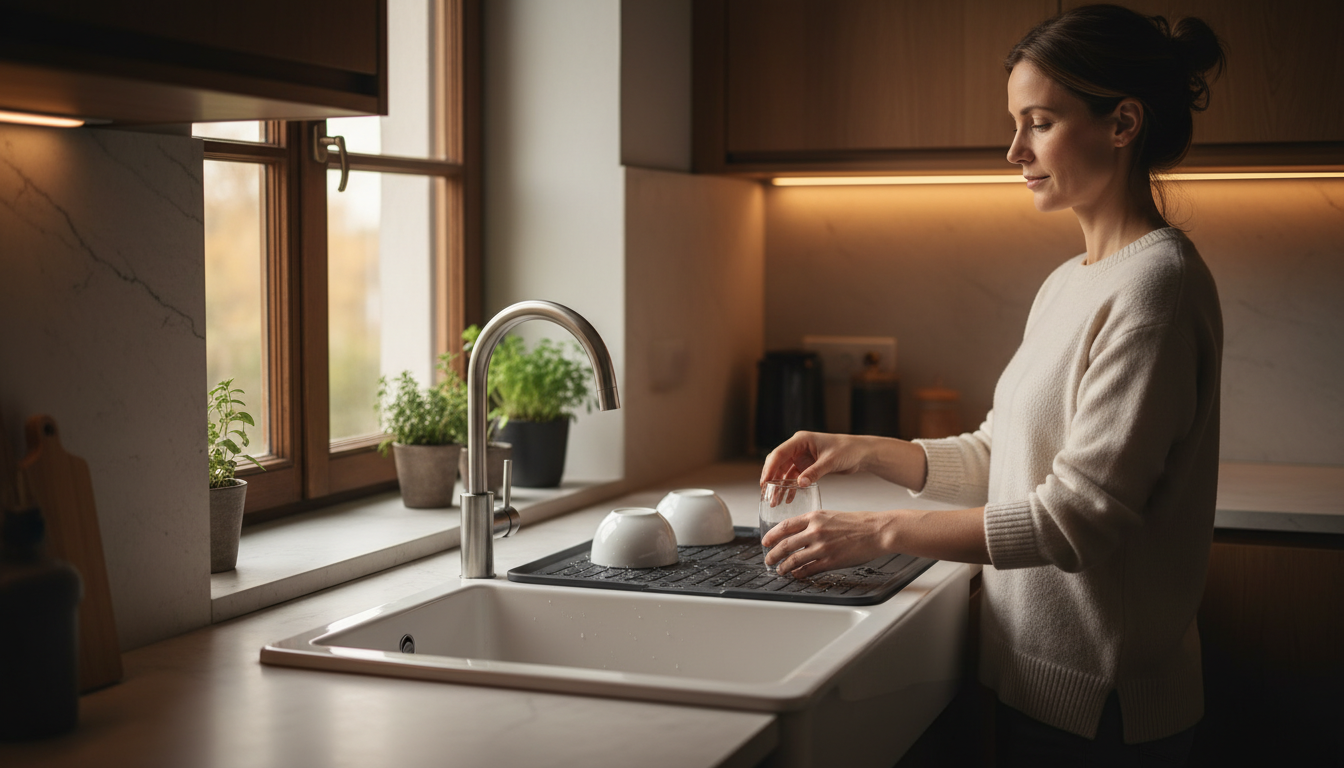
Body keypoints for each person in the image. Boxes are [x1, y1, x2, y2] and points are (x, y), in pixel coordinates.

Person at [759, 5, 1227, 765]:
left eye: (1038, 122)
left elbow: (1077, 519)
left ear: (1123, 122)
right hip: (1035, 684)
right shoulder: (1073, 281)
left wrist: (876, 533)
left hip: (1106, 711)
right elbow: (1003, 456)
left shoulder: (1156, 291)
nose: (1014, 149)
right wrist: (862, 449)